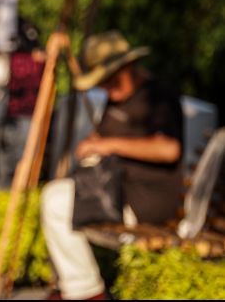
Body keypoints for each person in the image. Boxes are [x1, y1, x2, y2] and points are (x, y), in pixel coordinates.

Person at [40, 30, 184, 300]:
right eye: (103, 82)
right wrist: (94, 143)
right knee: (57, 194)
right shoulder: (116, 98)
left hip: (146, 201)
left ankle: (86, 292)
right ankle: (72, 286)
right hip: (114, 192)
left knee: (56, 201)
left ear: (129, 66)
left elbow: (169, 149)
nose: (107, 87)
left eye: (111, 79)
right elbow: (105, 139)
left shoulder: (159, 96)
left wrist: (109, 145)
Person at [0, 17, 45, 187]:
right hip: (14, 115)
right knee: (8, 163)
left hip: (27, 116)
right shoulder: (18, 58)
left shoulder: (30, 60)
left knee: (20, 162)